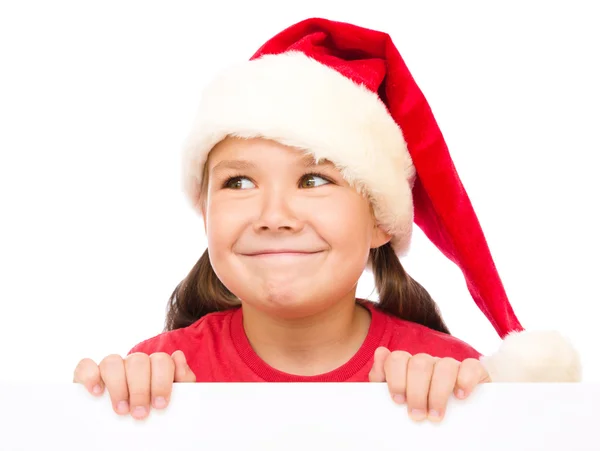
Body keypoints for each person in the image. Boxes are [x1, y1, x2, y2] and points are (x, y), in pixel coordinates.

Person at [73, 17, 581, 423]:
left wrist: (474, 418)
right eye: (239, 183)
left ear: (380, 218)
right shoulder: (157, 379)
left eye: (314, 180)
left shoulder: (451, 379)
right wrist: (104, 415)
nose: (274, 216)